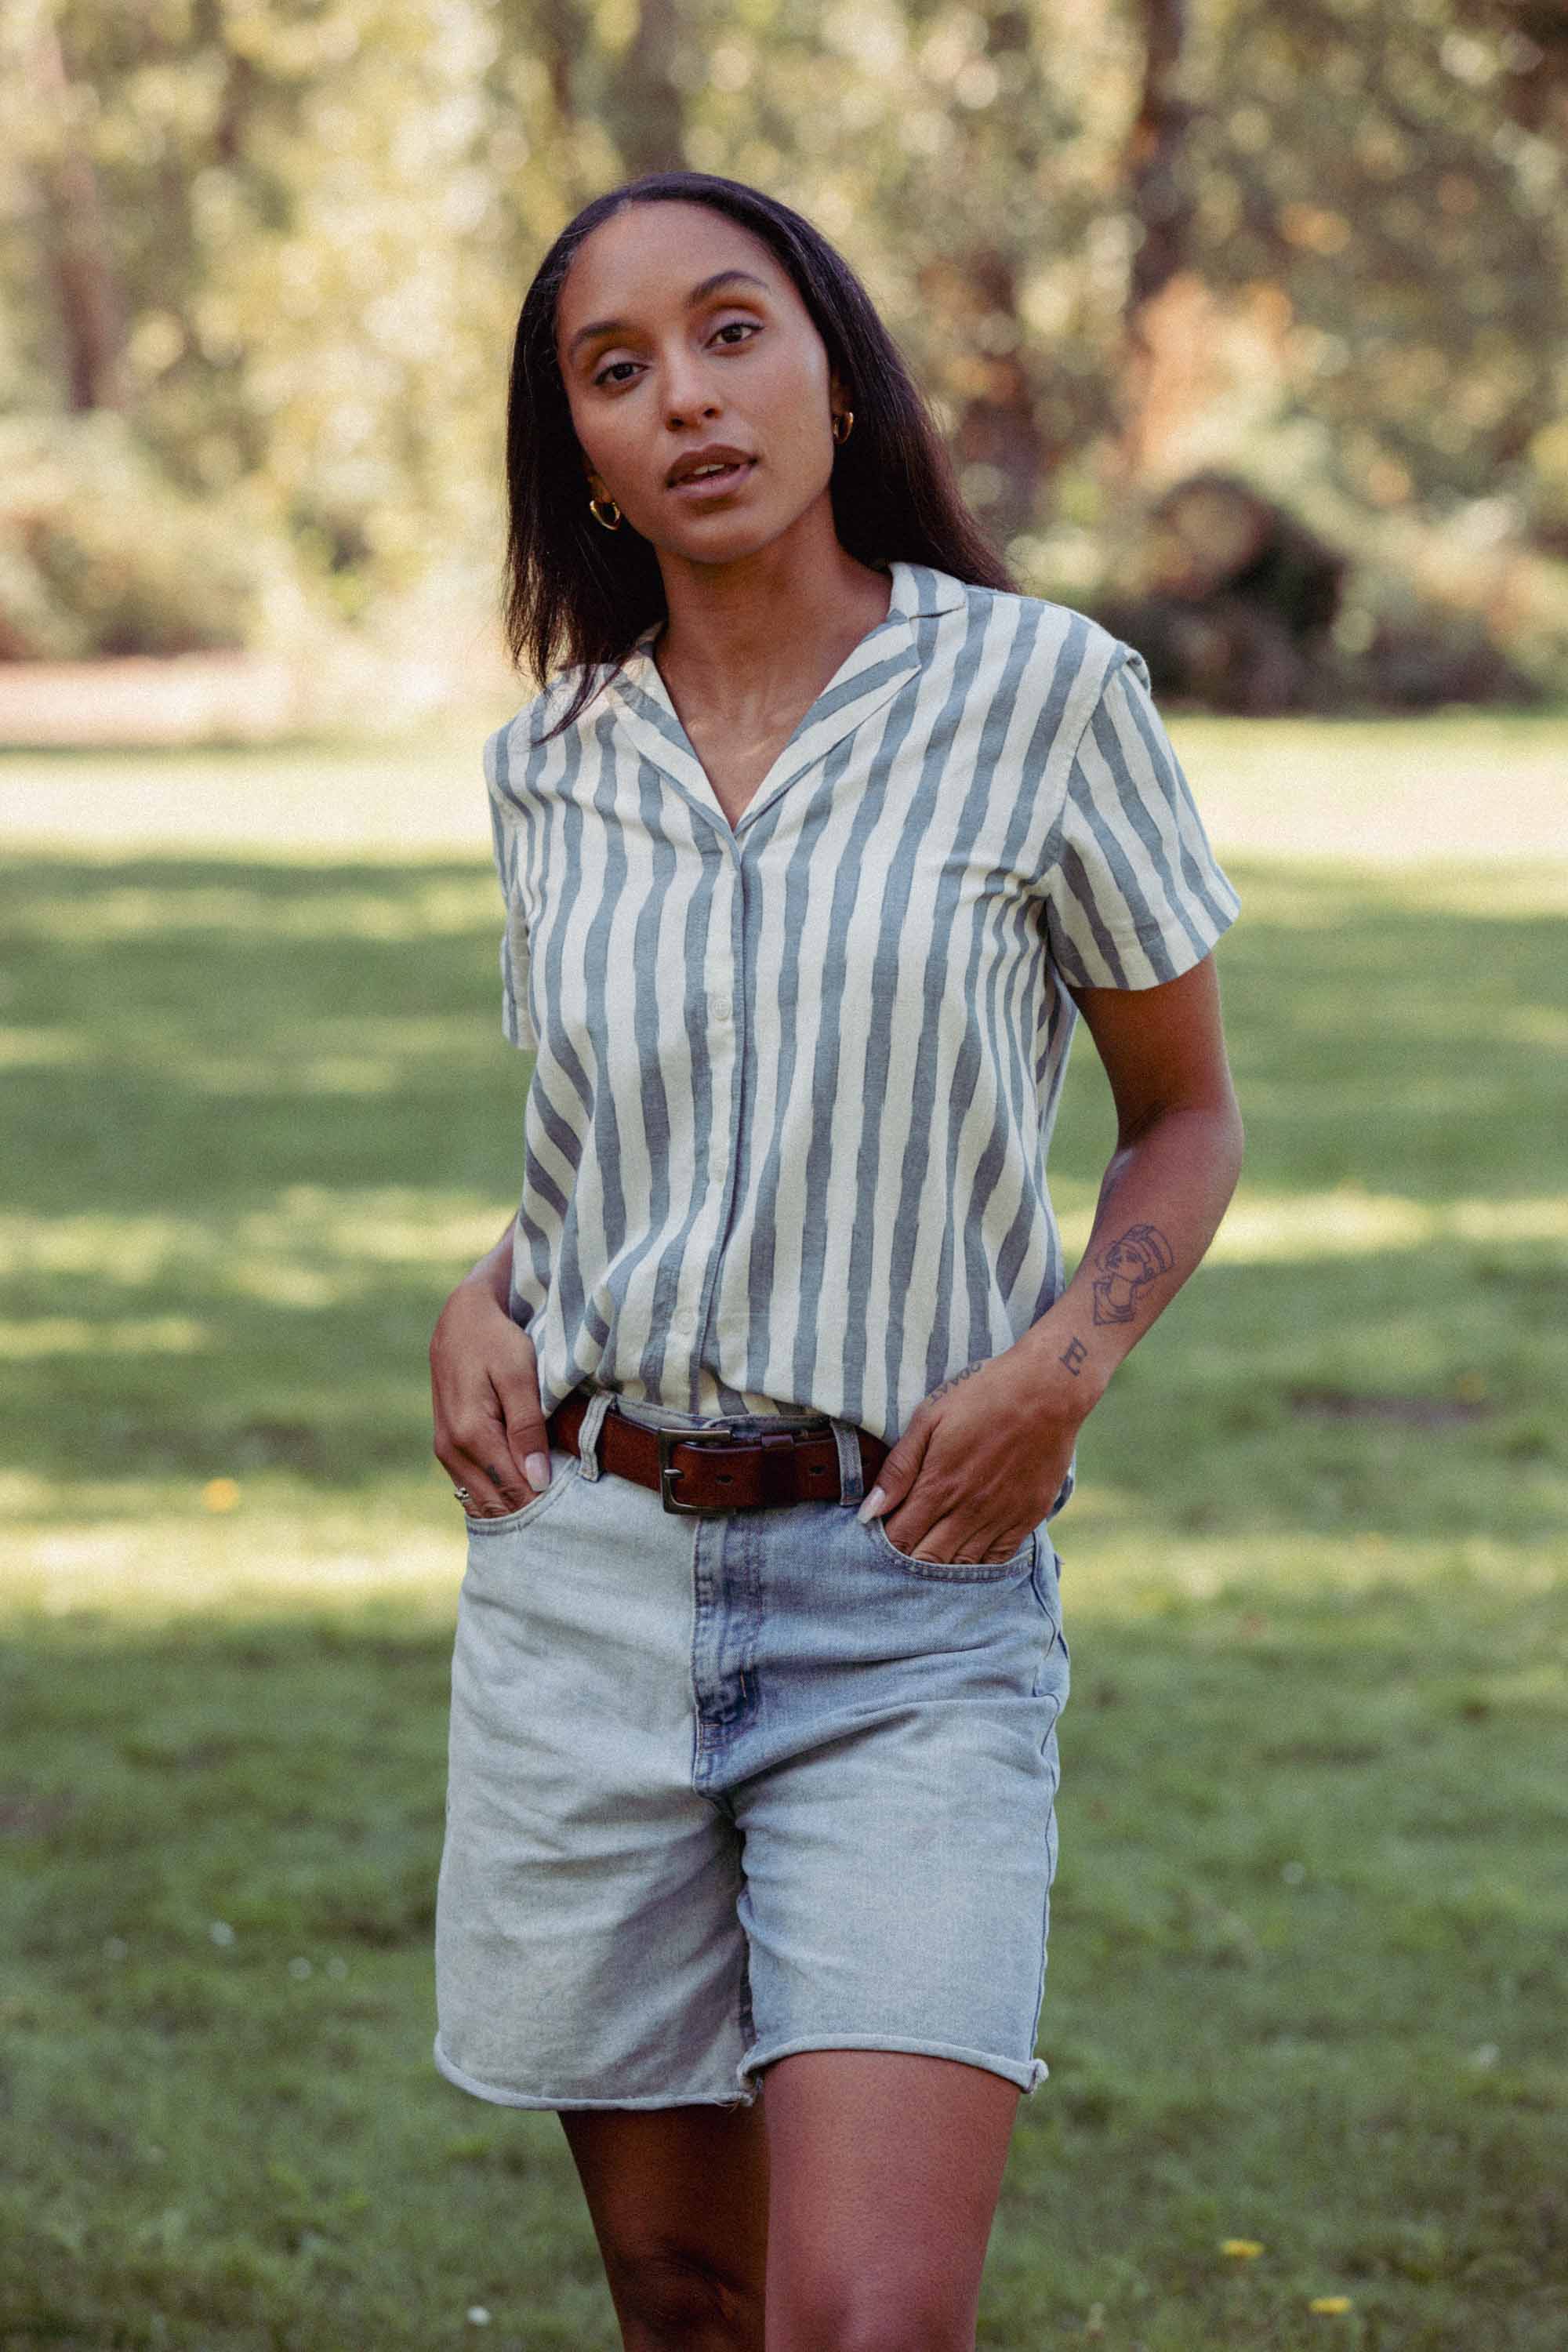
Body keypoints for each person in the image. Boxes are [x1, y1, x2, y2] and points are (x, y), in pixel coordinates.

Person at [429, 168, 1244, 2352]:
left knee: (867, 2321)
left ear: (832, 365)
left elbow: (1187, 1113)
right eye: (617, 371)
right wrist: (485, 1286)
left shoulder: (1046, 699)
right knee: (685, 2298)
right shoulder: (552, 768)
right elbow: (622, 1140)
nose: (684, 397)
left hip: (911, 1597)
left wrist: (1063, 1367)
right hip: (584, 1593)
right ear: (580, 457)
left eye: (730, 330)